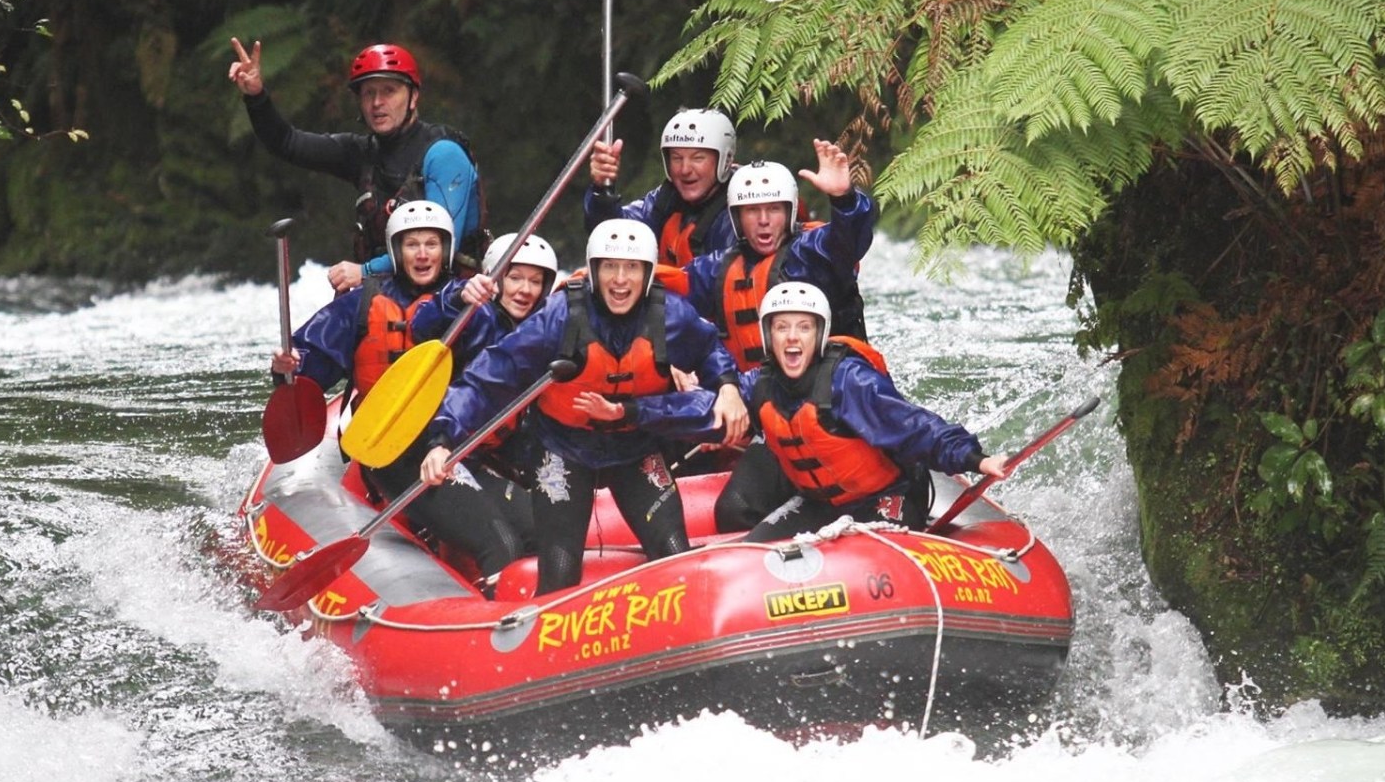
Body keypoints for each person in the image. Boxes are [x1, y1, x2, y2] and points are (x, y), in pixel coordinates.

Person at [419, 219, 749, 594]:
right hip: (563, 449)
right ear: (593, 271)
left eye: (631, 267)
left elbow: (708, 349)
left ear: (647, 273)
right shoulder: (559, 317)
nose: (620, 280)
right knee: (560, 572)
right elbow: (489, 376)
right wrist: (443, 438)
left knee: (673, 550)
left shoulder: (671, 315)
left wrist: (727, 386)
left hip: (634, 447)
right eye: (610, 267)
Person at [269, 201, 526, 589]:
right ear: (395, 251)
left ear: (446, 250)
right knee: (501, 542)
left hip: (454, 444)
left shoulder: (467, 299)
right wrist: (288, 368)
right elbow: (309, 369)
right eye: (412, 244)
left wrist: (471, 300)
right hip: (391, 449)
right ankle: (502, 618)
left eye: (431, 244)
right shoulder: (360, 305)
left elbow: (495, 357)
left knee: (536, 528)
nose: (422, 254)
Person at [715, 281, 1007, 542]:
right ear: (768, 335)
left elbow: (914, 426)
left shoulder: (850, 380)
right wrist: (712, 394)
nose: (792, 337)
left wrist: (975, 459)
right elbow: (709, 410)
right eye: (782, 327)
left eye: (804, 327)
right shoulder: (760, 384)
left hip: (884, 497)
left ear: (819, 335)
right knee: (753, 550)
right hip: (821, 503)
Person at [230, 39, 483, 293]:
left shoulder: (444, 154)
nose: (377, 102)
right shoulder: (361, 153)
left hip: (452, 298)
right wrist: (256, 97)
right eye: (368, 93)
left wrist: (363, 271)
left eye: (389, 91)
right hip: (387, 295)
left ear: (413, 97)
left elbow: (443, 246)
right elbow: (287, 142)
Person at [682, 139, 874, 372]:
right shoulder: (712, 270)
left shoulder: (812, 252)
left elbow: (850, 239)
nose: (763, 220)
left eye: (773, 209)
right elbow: (654, 296)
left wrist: (844, 199)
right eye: (752, 210)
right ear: (737, 217)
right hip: (753, 387)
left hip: (831, 381)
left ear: (789, 212)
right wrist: (676, 364)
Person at [410, 232, 560, 487]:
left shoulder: (541, 333)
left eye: (535, 281)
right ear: (494, 278)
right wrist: (457, 298)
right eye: (515, 278)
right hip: (439, 442)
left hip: (495, 450)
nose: (525, 290)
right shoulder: (477, 315)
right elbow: (422, 327)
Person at [584, 108, 738, 267]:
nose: (685, 170)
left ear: (725, 161)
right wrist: (601, 190)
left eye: (698, 158)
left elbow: (730, 268)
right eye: (676, 158)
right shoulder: (666, 199)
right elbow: (611, 232)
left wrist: (669, 278)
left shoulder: (744, 205)